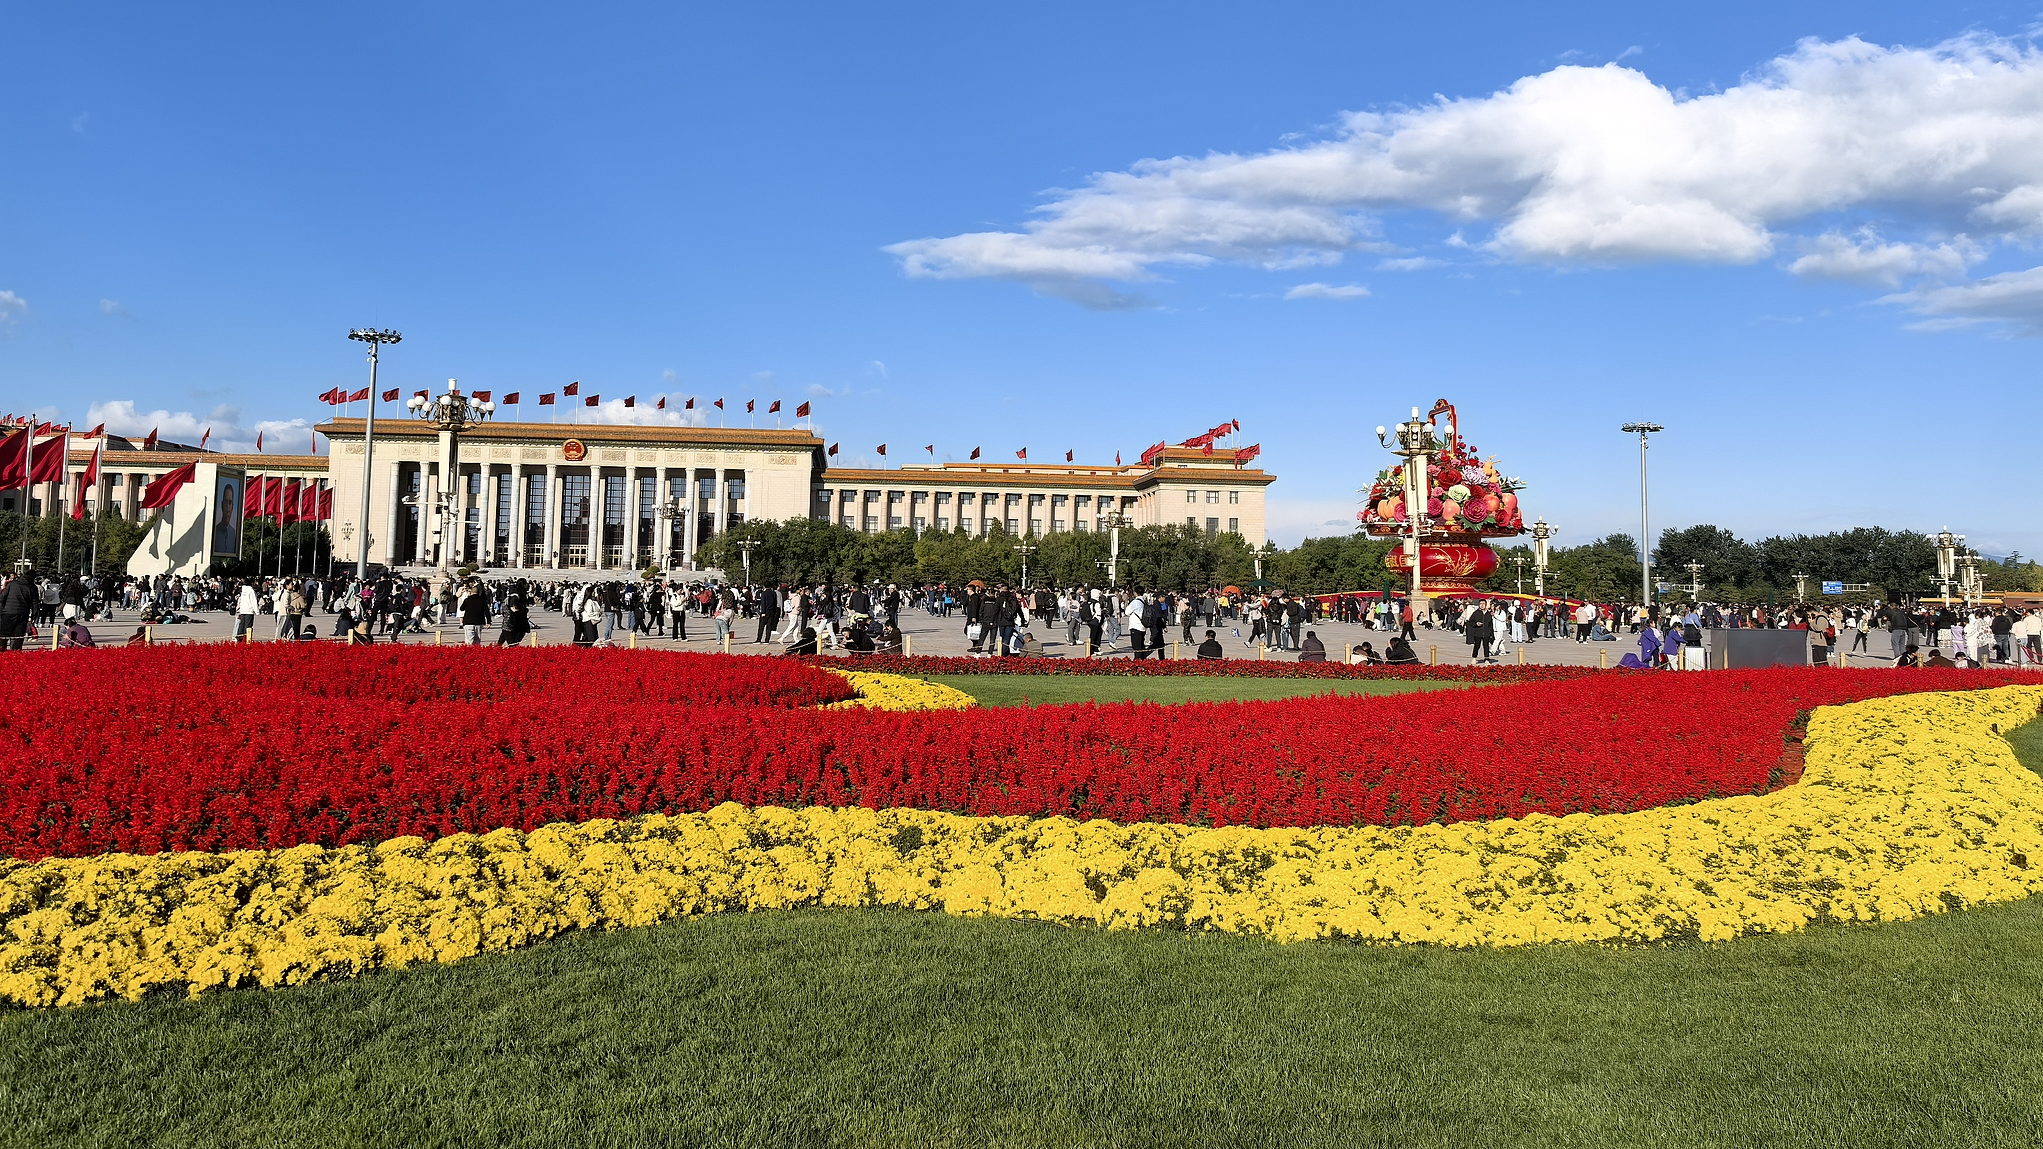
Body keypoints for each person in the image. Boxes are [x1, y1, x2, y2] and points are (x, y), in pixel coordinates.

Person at [459, 581, 489, 645]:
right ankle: (476, 652)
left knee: (469, 640)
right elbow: (487, 611)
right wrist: (489, 622)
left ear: (471, 592)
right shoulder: (482, 600)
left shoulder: (467, 600)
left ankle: (469, 653)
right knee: (477, 640)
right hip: (479, 622)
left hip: (468, 621)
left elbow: (461, 609)